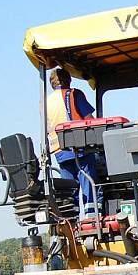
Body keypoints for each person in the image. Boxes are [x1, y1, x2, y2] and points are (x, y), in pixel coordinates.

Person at [46, 68, 98, 216]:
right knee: (88, 183)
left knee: (69, 189)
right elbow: (90, 120)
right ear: (68, 80)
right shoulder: (74, 94)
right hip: (79, 148)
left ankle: (71, 220)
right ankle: (91, 218)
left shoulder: (45, 102)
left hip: (59, 152)